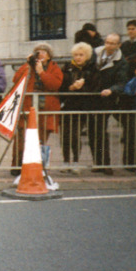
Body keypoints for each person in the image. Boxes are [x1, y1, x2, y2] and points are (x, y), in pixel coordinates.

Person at [10, 43, 63, 174]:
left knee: (41, 140)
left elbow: (54, 85)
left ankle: (37, 168)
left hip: (45, 110)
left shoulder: (54, 68)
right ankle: (17, 167)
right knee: (21, 139)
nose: (41, 54)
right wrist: (28, 65)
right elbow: (16, 79)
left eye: (44, 52)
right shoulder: (28, 67)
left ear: (50, 56)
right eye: (38, 52)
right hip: (28, 109)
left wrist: (41, 72)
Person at [91, 33, 129, 173]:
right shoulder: (95, 54)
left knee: (101, 131)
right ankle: (98, 162)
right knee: (94, 132)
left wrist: (111, 90)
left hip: (108, 99)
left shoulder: (121, 62)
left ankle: (105, 164)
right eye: (107, 42)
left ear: (119, 45)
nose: (109, 45)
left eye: (113, 43)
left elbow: (121, 82)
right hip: (93, 97)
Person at [59, 42, 99, 173]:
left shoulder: (92, 69)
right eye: (76, 55)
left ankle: (76, 161)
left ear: (87, 56)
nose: (78, 57)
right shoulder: (67, 68)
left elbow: (95, 87)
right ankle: (65, 161)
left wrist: (83, 87)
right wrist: (70, 88)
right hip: (67, 105)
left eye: (81, 55)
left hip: (81, 106)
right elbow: (61, 86)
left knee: (75, 135)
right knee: (65, 135)